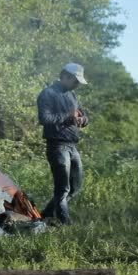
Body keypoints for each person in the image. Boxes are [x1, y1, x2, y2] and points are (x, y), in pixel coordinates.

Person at [36, 63, 89, 225]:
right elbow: (44, 119)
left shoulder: (72, 95)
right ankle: (65, 224)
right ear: (65, 77)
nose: (78, 84)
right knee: (63, 188)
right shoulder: (47, 94)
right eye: (75, 81)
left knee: (75, 187)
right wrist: (68, 116)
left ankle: (45, 214)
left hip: (72, 146)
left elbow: (84, 116)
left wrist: (82, 120)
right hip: (57, 146)